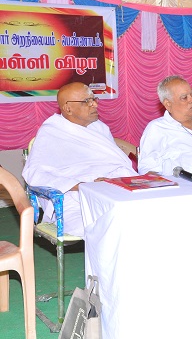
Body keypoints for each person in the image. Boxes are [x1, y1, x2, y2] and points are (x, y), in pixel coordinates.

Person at [23, 82, 138, 237]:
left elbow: (115, 163)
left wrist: (111, 182)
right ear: (68, 108)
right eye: (87, 101)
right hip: (74, 198)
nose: (95, 105)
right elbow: (35, 174)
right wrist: (83, 185)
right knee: (102, 227)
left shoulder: (99, 127)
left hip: (112, 190)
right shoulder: (51, 131)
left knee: (141, 216)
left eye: (94, 99)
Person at [138, 75, 192, 176]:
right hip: (184, 184)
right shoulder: (156, 129)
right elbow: (146, 170)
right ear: (168, 104)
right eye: (184, 98)